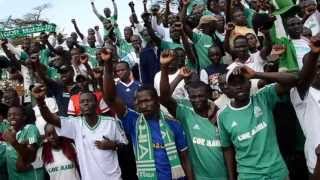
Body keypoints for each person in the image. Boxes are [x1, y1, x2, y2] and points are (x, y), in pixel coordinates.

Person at [102, 48, 194, 180]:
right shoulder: (133, 121)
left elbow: (185, 159)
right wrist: (107, 64)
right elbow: (110, 98)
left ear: (156, 100)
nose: (143, 105)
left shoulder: (173, 124)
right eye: (139, 102)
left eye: (147, 101)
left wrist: (164, 67)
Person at [217, 64, 299, 179]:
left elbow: (293, 80)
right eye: (234, 84)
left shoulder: (263, 97)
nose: (239, 87)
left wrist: (256, 74)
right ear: (228, 88)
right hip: (249, 175)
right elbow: (227, 148)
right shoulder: (223, 115)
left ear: (250, 83)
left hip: (277, 172)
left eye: (242, 81)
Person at [32, 84, 128, 180]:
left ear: (96, 103)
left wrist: (114, 146)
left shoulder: (110, 122)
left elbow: (126, 147)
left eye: (89, 100)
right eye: (82, 102)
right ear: (80, 106)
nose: (85, 103)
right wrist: (41, 102)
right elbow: (51, 119)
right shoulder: (75, 124)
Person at [159, 50, 228, 180]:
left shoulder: (220, 113)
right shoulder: (185, 111)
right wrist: (167, 69)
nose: (197, 100)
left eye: (201, 96)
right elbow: (164, 98)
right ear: (188, 97)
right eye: (193, 97)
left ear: (208, 94)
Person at [290, 34, 320, 176]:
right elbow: (302, 81)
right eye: (316, 67)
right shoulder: (301, 94)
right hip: (316, 164)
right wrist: (313, 55)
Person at [2, 106, 44, 180]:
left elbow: (32, 144)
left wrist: (15, 142)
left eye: (16, 115)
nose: (12, 117)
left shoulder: (30, 128)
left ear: (24, 117)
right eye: (9, 115)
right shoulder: (8, 131)